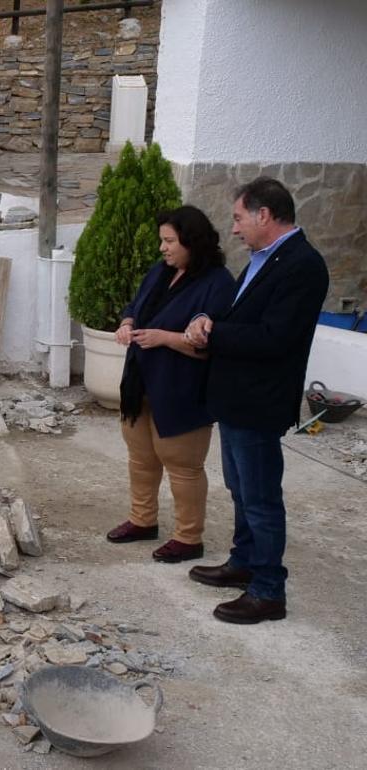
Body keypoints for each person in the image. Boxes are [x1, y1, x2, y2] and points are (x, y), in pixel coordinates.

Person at [185, 177, 329, 624]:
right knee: (241, 489)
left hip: (260, 401)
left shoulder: (302, 265)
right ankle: (243, 562)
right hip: (235, 397)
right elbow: (238, 315)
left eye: (238, 217)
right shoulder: (263, 259)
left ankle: (268, 590)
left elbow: (276, 337)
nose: (234, 228)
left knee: (262, 497)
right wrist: (210, 319)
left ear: (263, 215)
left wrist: (214, 332)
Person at [105, 206, 236, 563]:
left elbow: (213, 343)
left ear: (192, 242)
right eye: (162, 241)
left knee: (182, 465)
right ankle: (142, 520)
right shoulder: (161, 271)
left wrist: (165, 338)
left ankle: (188, 537)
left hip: (181, 387)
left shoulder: (218, 283)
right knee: (141, 459)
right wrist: (127, 322)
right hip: (140, 383)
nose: (162, 248)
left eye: (169, 241)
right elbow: (136, 304)